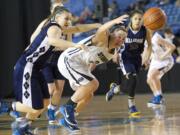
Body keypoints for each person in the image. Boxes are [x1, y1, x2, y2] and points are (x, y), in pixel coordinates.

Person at [57, 14, 128, 131]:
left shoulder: (111, 53)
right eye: (119, 36)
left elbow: (93, 62)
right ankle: (67, 107)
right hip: (69, 60)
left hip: (80, 66)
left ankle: (68, 119)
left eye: (123, 39)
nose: (121, 40)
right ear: (112, 33)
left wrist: (86, 75)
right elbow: (101, 28)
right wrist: (114, 21)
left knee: (88, 95)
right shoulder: (103, 38)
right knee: (93, 84)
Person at [105, 10, 152, 118]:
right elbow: (116, 39)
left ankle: (115, 89)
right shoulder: (125, 29)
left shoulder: (145, 31)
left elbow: (149, 46)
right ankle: (131, 106)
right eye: (135, 18)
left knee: (131, 83)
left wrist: (146, 58)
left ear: (142, 20)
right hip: (125, 57)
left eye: (140, 19)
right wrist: (115, 52)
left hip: (137, 58)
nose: (137, 21)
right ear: (131, 19)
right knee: (133, 79)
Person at [147, 30, 176, 107]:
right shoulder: (144, 38)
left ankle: (159, 97)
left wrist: (163, 56)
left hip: (165, 60)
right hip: (155, 60)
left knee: (153, 76)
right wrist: (146, 60)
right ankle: (158, 97)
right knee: (149, 80)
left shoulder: (156, 37)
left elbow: (172, 47)